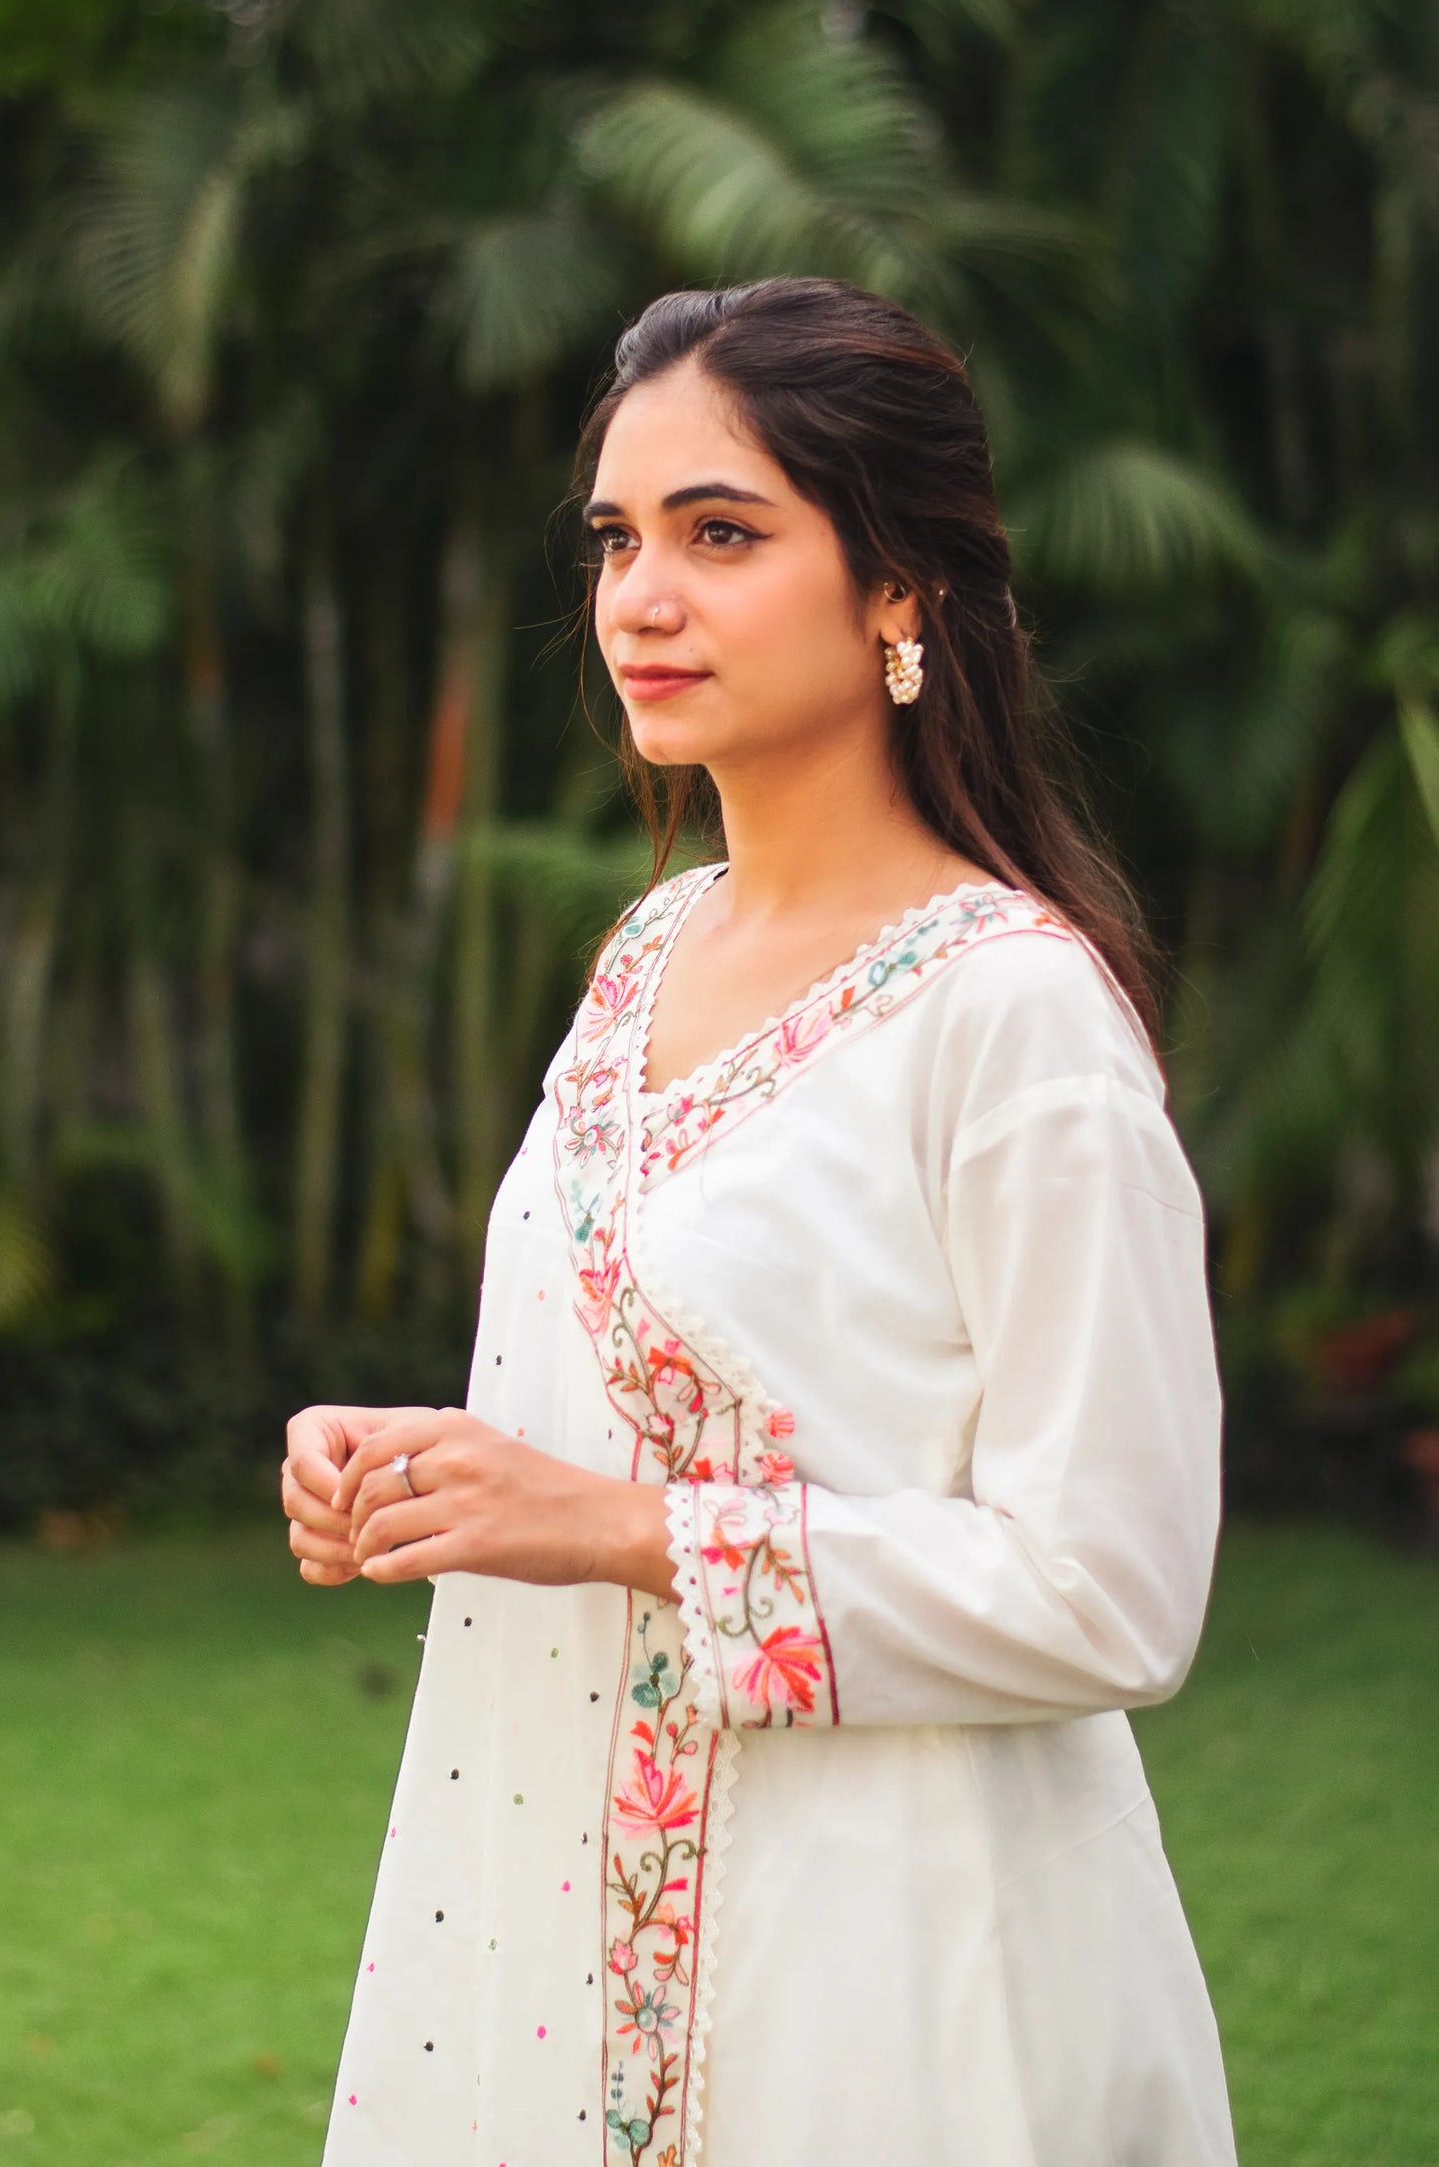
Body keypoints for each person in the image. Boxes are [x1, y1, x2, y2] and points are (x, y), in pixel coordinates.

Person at [282, 275, 1238, 2166]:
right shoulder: (646, 955)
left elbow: (1112, 1589)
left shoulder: (1009, 1016)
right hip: (560, 1942)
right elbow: (627, 1396)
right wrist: (430, 1471)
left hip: (895, 1974)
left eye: (720, 534)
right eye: (616, 539)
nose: (640, 598)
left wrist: (620, 1532)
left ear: (899, 589)